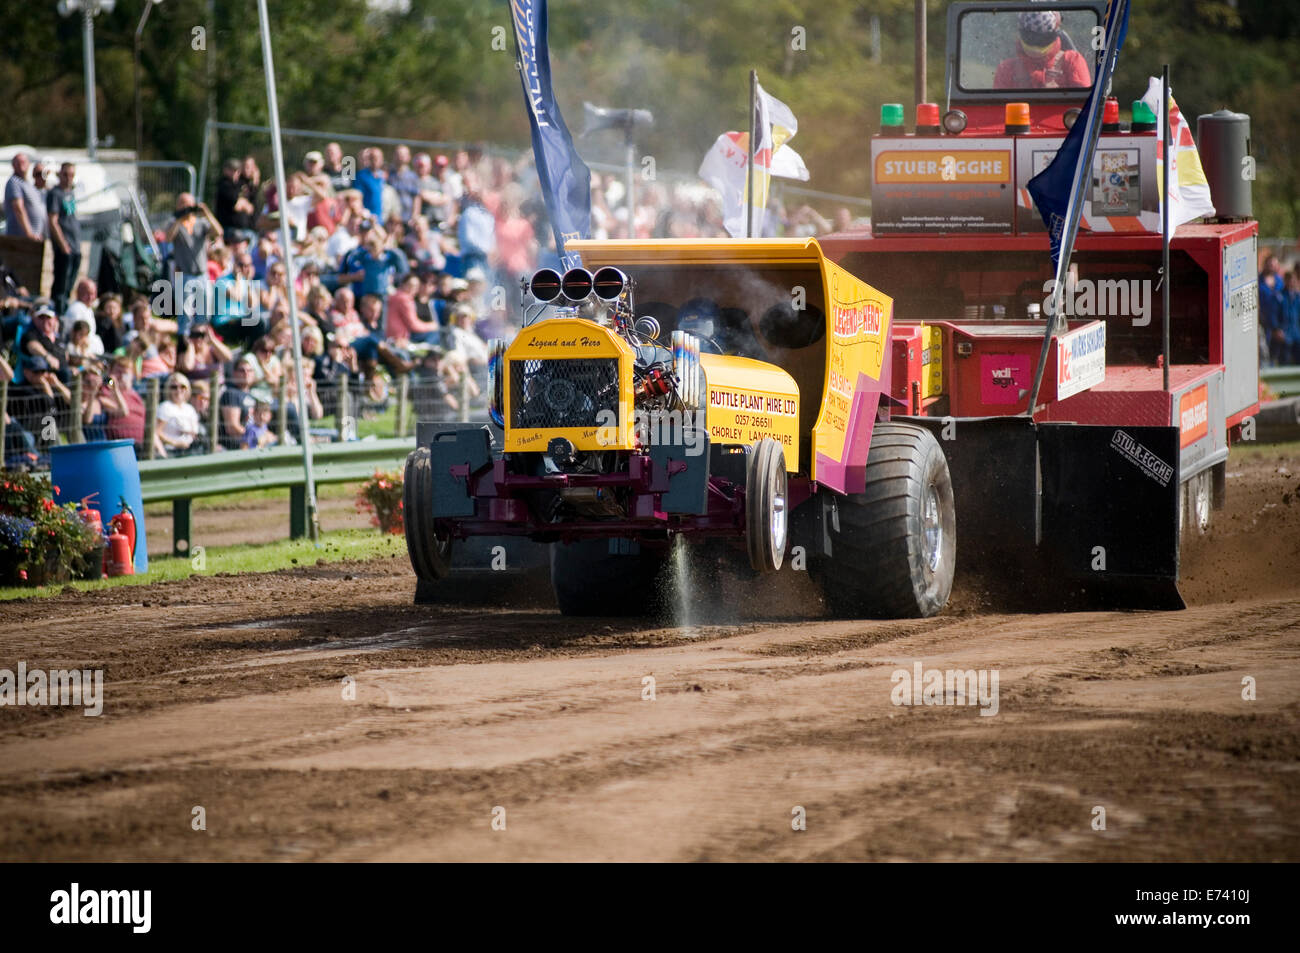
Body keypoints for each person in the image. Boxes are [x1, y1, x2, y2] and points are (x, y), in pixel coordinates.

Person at [164, 192, 224, 336]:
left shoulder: (201, 223)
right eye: (182, 203)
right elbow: (168, 238)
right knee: (184, 313)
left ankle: (200, 338)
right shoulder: (174, 224)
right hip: (184, 275)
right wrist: (180, 218)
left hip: (202, 274)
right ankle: (183, 339)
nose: (186, 207)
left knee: (205, 312)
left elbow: (218, 232)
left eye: (188, 203)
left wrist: (206, 213)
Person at [993, 11, 1091, 90]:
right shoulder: (1006, 68)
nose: (1036, 45)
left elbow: (1085, 107)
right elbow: (997, 109)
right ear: (1021, 34)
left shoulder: (1071, 61)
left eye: (1043, 39)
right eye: (1030, 37)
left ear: (1055, 35)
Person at [46, 162, 81, 315]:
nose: (68, 178)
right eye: (65, 174)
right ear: (60, 175)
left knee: (69, 286)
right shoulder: (55, 193)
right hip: (64, 247)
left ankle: (64, 311)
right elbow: (53, 221)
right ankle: (57, 314)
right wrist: (63, 244)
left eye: (71, 175)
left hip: (75, 245)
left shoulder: (70, 193)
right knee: (61, 285)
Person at [103, 356, 148, 452]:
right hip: (122, 445)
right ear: (111, 372)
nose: (122, 376)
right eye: (119, 372)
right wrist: (116, 389)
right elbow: (123, 411)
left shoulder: (135, 395)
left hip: (142, 444)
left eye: (126, 372)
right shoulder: (105, 392)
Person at [156, 373, 203, 456]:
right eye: (174, 387)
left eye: (182, 387)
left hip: (192, 449)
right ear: (168, 389)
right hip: (172, 451)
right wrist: (176, 443)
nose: (178, 390)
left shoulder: (190, 409)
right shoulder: (165, 407)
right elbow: (157, 432)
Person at [219, 357, 259, 449]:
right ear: (234, 373)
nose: (246, 374)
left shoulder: (254, 395)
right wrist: (255, 437)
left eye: (249, 371)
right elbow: (232, 428)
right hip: (235, 447)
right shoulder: (231, 394)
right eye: (242, 371)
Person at [4, 153, 45, 242]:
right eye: (17, 162)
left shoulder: (27, 184)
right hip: (20, 239)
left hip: (33, 238)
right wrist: (29, 233)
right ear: (13, 165)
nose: (20, 164)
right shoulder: (14, 182)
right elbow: (18, 208)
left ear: (29, 164)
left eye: (23, 162)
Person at [1260, 255, 1287, 366]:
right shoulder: (1259, 280)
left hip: (1278, 321)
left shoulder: (1280, 281)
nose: (1271, 267)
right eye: (1270, 264)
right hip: (1263, 320)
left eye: (1274, 264)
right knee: (1264, 348)